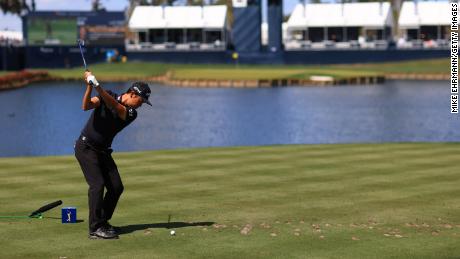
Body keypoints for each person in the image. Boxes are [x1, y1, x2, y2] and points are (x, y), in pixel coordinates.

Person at [74, 71, 152, 239]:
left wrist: (97, 86)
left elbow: (115, 107)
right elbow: (85, 106)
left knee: (116, 187)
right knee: (97, 185)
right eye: (141, 100)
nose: (141, 105)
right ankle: (95, 228)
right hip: (86, 147)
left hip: (102, 151)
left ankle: (102, 222)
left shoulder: (131, 113)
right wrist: (89, 86)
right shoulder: (107, 95)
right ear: (132, 94)